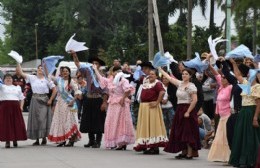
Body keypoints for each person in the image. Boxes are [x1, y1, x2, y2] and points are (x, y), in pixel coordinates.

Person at [160, 67, 199, 159]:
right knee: (180, 130)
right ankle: (183, 151)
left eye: (186, 74)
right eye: (183, 74)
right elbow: (169, 78)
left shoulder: (191, 86)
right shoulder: (180, 84)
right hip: (180, 109)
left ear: (190, 76)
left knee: (188, 131)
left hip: (188, 109)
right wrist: (160, 69)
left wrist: (188, 112)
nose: (184, 75)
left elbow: (195, 100)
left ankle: (190, 153)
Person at [93, 65, 135, 150]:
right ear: (112, 72)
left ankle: (122, 142)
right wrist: (95, 69)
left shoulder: (123, 80)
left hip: (121, 103)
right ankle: (114, 141)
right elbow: (101, 79)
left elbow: (128, 90)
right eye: (116, 71)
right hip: (112, 103)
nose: (118, 72)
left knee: (121, 122)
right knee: (111, 122)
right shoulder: (110, 81)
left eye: (119, 71)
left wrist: (123, 98)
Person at [71, 51, 107, 148]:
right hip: (88, 98)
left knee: (98, 121)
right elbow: (78, 65)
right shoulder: (88, 72)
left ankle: (98, 141)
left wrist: (104, 102)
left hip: (98, 99)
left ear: (99, 66)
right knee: (88, 120)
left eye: (96, 63)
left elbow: (105, 91)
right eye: (93, 63)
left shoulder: (102, 76)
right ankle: (91, 140)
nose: (94, 65)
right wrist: (74, 55)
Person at [229, 59, 260, 167]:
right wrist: (233, 63)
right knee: (240, 136)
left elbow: (258, 104)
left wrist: (255, 117)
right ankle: (240, 160)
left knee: (250, 137)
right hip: (243, 112)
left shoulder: (257, 87)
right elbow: (237, 74)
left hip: (251, 112)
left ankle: (250, 160)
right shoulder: (246, 84)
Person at [16, 64, 57, 146]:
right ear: (37, 70)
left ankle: (44, 137)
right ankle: (37, 139)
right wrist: (18, 62)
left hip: (44, 100)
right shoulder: (32, 77)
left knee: (43, 119)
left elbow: (54, 90)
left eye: (42, 68)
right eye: (39, 68)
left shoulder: (47, 79)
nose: (40, 70)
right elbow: (21, 72)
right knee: (35, 120)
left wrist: (50, 100)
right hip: (35, 99)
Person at [133, 69, 168, 154]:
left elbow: (162, 92)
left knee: (153, 126)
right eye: (150, 74)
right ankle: (146, 145)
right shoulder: (146, 82)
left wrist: (157, 102)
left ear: (156, 76)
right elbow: (138, 78)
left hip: (152, 107)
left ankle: (154, 147)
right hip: (144, 107)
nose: (151, 75)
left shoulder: (157, 83)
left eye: (153, 74)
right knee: (145, 126)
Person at [48, 66, 82, 147]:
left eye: (66, 71)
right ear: (61, 73)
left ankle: (71, 139)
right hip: (60, 103)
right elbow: (49, 76)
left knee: (71, 121)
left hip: (69, 103)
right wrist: (46, 65)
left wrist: (72, 101)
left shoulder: (72, 81)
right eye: (63, 71)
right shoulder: (59, 80)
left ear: (69, 72)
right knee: (61, 121)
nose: (65, 72)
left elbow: (77, 92)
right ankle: (62, 140)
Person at [207, 58, 232, 162]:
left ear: (229, 79)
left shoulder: (230, 87)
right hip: (220, 115)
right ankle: (221, 156)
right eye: (222, 78)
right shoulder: (222, 86)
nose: (222, 79)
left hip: (228, 115)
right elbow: (216, 74)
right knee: (220, 137)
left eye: (225, 78)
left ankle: (228, 157)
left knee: (226, 137)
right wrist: (208, 64)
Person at [0, 74, 27, 148]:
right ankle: (7, 141)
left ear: (12, 80)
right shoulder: (2, 87)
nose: (8, 79)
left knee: (16, 123)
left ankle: (15, 139)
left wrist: (21, 107)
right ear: (3, 80)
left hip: (15, 108)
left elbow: (22, 98)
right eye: (6, 78)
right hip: (5, 107)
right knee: (6, 124)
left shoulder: (17, 87)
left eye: (10, 78)